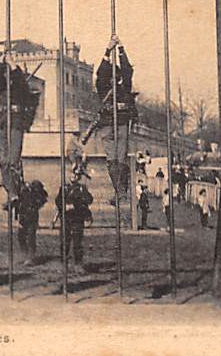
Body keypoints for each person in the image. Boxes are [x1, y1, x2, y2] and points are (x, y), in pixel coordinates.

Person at [0, 53, 40, 207]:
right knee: (4, 161)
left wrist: (12, 64)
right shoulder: (3, 88)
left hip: (15, 125)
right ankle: (11, 193)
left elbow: (19, 82)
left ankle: (15, 192)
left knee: (13, 160)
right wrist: (1, 63)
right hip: (1, 123)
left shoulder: (22, 88)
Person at [94, 34, 135, 204]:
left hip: (119, 122)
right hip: (110, 124)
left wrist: (116, 49)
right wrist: (112, 49)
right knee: (114, 160)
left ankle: (120, 191)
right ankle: (120, 191)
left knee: (118, 160)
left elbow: (127, 71)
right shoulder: (107, 88)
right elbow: (102, 72)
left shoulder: (118, 87)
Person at [56, 166, 94, 275]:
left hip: (77, 218)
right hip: (66, 218)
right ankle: (64, 265)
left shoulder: (82, 188)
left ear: (79, 177)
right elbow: (58, 201)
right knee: (65, 242)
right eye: (73, 174)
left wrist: (76, 205)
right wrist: (64, 206)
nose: (74, 176)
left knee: (77, 243)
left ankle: (78, 264)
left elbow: (89, 201)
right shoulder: (64, 188)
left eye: (77, 175)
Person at [15, 179, 48, 265]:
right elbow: (18, 203)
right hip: (23, 217)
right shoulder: (23, 192)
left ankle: (30, 258)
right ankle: (24, 255)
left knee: (30, 238)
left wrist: (35, 206)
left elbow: (43, 198)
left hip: (32, 218)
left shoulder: (37, 192)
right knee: (21, 237)